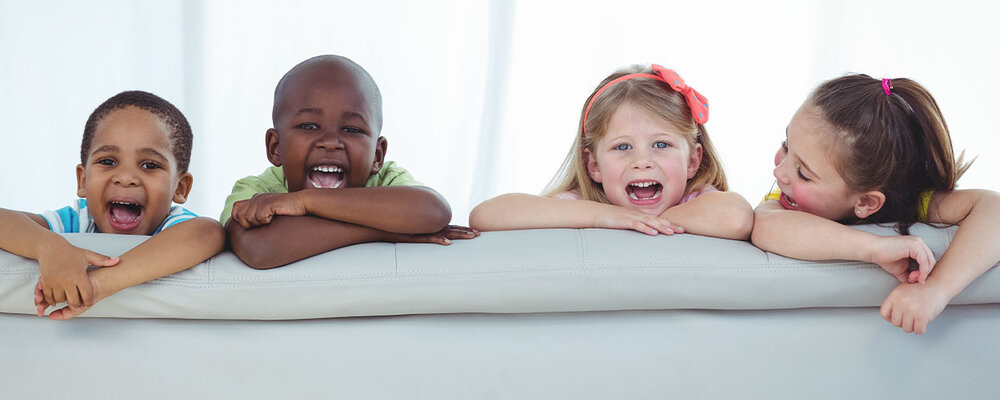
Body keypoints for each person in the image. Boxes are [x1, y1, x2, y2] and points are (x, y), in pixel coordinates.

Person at [752, 74, 1000, 334]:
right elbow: (765, 225)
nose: (779, 172)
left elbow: (993, 207)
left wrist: (936, 290)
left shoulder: (913, 202)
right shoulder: (782, 203)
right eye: (786, 146)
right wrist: (874, 248)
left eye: (803, 173)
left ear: (867, 202)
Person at [222, 55, 477, 269]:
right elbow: (260, 249)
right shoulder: (257, 192)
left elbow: (434, 212)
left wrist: (303, 202)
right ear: (275, 148)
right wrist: (386, 233)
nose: (331, 141)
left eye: (352, 129)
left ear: (377, 155)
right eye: (309, 126)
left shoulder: (385, 179)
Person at [0, 90, 225, 320]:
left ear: (180, 188)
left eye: (149, 165)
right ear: (83, 180)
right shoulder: (78, 220)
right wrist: (49, 247)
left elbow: (208, 231)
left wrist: (97, 284)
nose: (126, 177)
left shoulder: (173, 225)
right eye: (108, 161)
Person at [470, 64, 753, 240]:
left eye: (661, 144)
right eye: (623, 147)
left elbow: (735, 217)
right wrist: (602, 217)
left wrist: (644, 223)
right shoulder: (589, 205)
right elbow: (487, 215)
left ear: (693, 160)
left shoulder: (695, 200)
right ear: (593, 166)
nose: (641, 161)